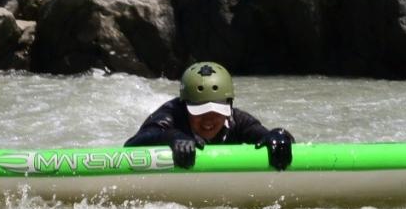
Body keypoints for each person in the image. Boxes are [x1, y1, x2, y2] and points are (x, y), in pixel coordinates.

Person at [124, 61, 294, 170]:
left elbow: (264, 135)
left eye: (217, 111)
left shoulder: (238, 120)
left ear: (229, 106)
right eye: (200, 111)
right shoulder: (171, 114)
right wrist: (171, 137)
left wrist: (278, 136)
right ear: (185, 106)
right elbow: (131, 145)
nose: (209, 119)